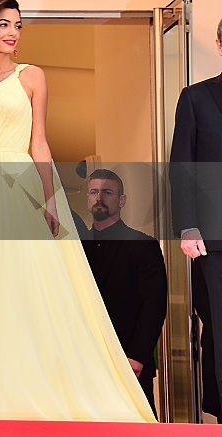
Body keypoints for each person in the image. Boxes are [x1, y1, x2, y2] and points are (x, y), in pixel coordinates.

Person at [0, 0, 154, 421]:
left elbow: (39, 143)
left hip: (17, 186)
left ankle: (40, 387)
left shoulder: (31, 76)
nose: (13, 32)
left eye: (18, 25)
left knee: (25, 287)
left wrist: (50, 201)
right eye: (3, 24)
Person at [82, 169, 168, 416]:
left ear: (121, 200)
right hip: (86, 359)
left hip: (130, 362)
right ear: (88, 199)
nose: (99, 198)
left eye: (107, 192)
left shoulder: (143, 245)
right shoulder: (77, 248)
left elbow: (154, 304)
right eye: (94, 192)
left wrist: (138, 356)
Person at [172, 15, 222, 416]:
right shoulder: (196, 98)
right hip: (214, 238)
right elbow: (182, 166)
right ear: (220, 46)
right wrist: (187, 226)